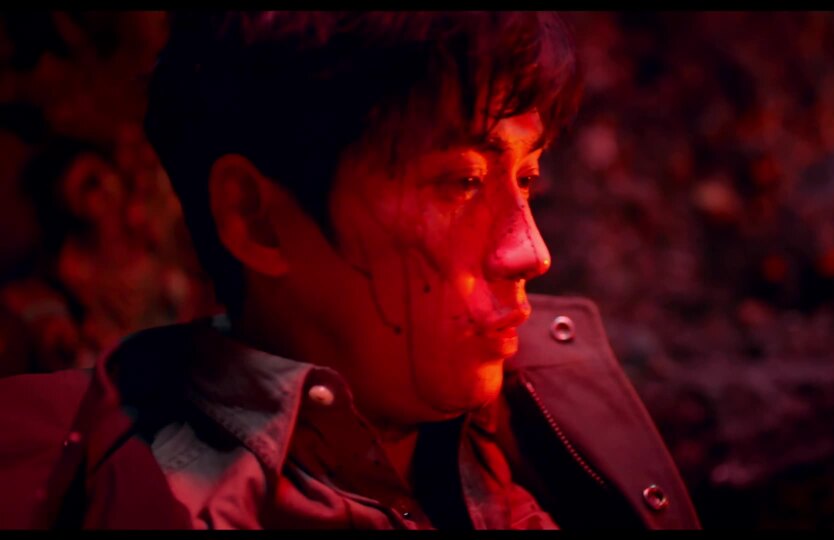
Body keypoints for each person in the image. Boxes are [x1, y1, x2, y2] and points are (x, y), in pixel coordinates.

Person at [0, 11, 700, 530]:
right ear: (256, 219)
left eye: (526, 178)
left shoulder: (549, 426)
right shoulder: (93, 480)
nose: (531, 251)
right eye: (461, 181)